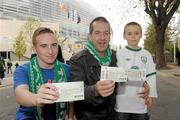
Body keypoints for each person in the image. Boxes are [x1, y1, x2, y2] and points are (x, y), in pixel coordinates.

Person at [69, 17, 150, 120]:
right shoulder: (78, 60)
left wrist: (144, 84)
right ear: (90, 36)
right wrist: (95, 90)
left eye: (106, 33)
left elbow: (129, 74)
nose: (102, 38)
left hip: (116, 115)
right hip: (89, 117)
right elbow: (75, 91)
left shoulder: (118, 56)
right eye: (97, 33)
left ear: (110, 36)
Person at [13, 27, 72, 120]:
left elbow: (71, 96)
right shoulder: (23, 70)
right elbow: (20, 93)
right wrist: (36, 99)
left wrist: (71, 116)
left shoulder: (67, 69)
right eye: (44, 46)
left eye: (54, 45)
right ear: (34, 49)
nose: (50, 51)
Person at [114, 22, 158, 120]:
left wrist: (150, 95)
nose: (133, 36)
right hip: (122, 102)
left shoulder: (146, 54)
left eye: (136, 33)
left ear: (141, 35)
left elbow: (151, 75)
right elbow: (116, 76)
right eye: (129, 34)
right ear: (124, 36)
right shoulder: (119, 54)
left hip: (140, 102)